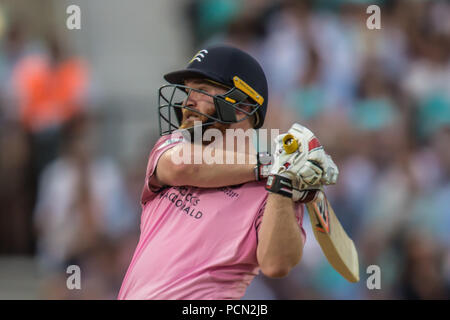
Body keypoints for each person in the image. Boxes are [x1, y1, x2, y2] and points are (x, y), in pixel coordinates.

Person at [118, 44, 338, 300]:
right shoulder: (174, 146)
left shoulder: (275, 187)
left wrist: (281, 184)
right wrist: (272, 166)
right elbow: (181, 166)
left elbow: (276, 263)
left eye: (201, 90)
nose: (188, 100)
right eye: (188, 90)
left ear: (243, 106)